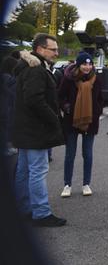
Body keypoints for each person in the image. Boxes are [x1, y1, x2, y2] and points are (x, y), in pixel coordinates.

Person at [11, 33, 66, 226]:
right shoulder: (36, 69)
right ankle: (41, 212)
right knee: (37, 170)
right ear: (40, 49)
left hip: (26, 129)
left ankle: (23, 208)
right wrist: (54, 118)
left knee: (24, 170)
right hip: (35, 131)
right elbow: (34, 99)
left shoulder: (28, 67)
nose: (56, 53)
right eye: (53, 49)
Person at [57, 52, 103, 197]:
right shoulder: (68, 78)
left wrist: (96, 111)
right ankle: (67, 184)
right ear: (78, 64)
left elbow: (101, 99)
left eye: (90, 64)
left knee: (87, 154)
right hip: (72, 120)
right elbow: (60, 96)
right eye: (84, 64)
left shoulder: (96, 79)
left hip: (90, 121)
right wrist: (67, 107)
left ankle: (86, 184)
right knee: (70, 154)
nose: (87, 67)